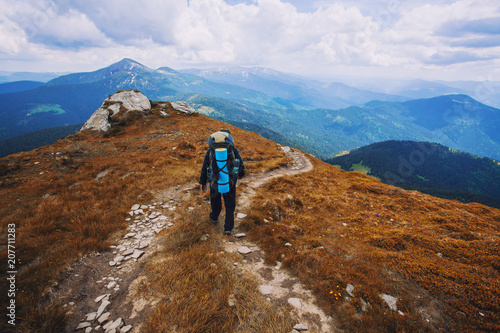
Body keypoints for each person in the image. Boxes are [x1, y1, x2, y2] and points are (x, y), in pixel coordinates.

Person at [199, 129, 245, 236]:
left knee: (215, 200)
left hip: (214, 180)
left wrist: (203, 182)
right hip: (230, 181)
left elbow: (205, 166)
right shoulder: (233, 149)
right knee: (230, 204)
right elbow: (241, 164)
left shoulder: (211, 151)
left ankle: (214, 217)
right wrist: (240, 174)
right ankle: (228, 228)